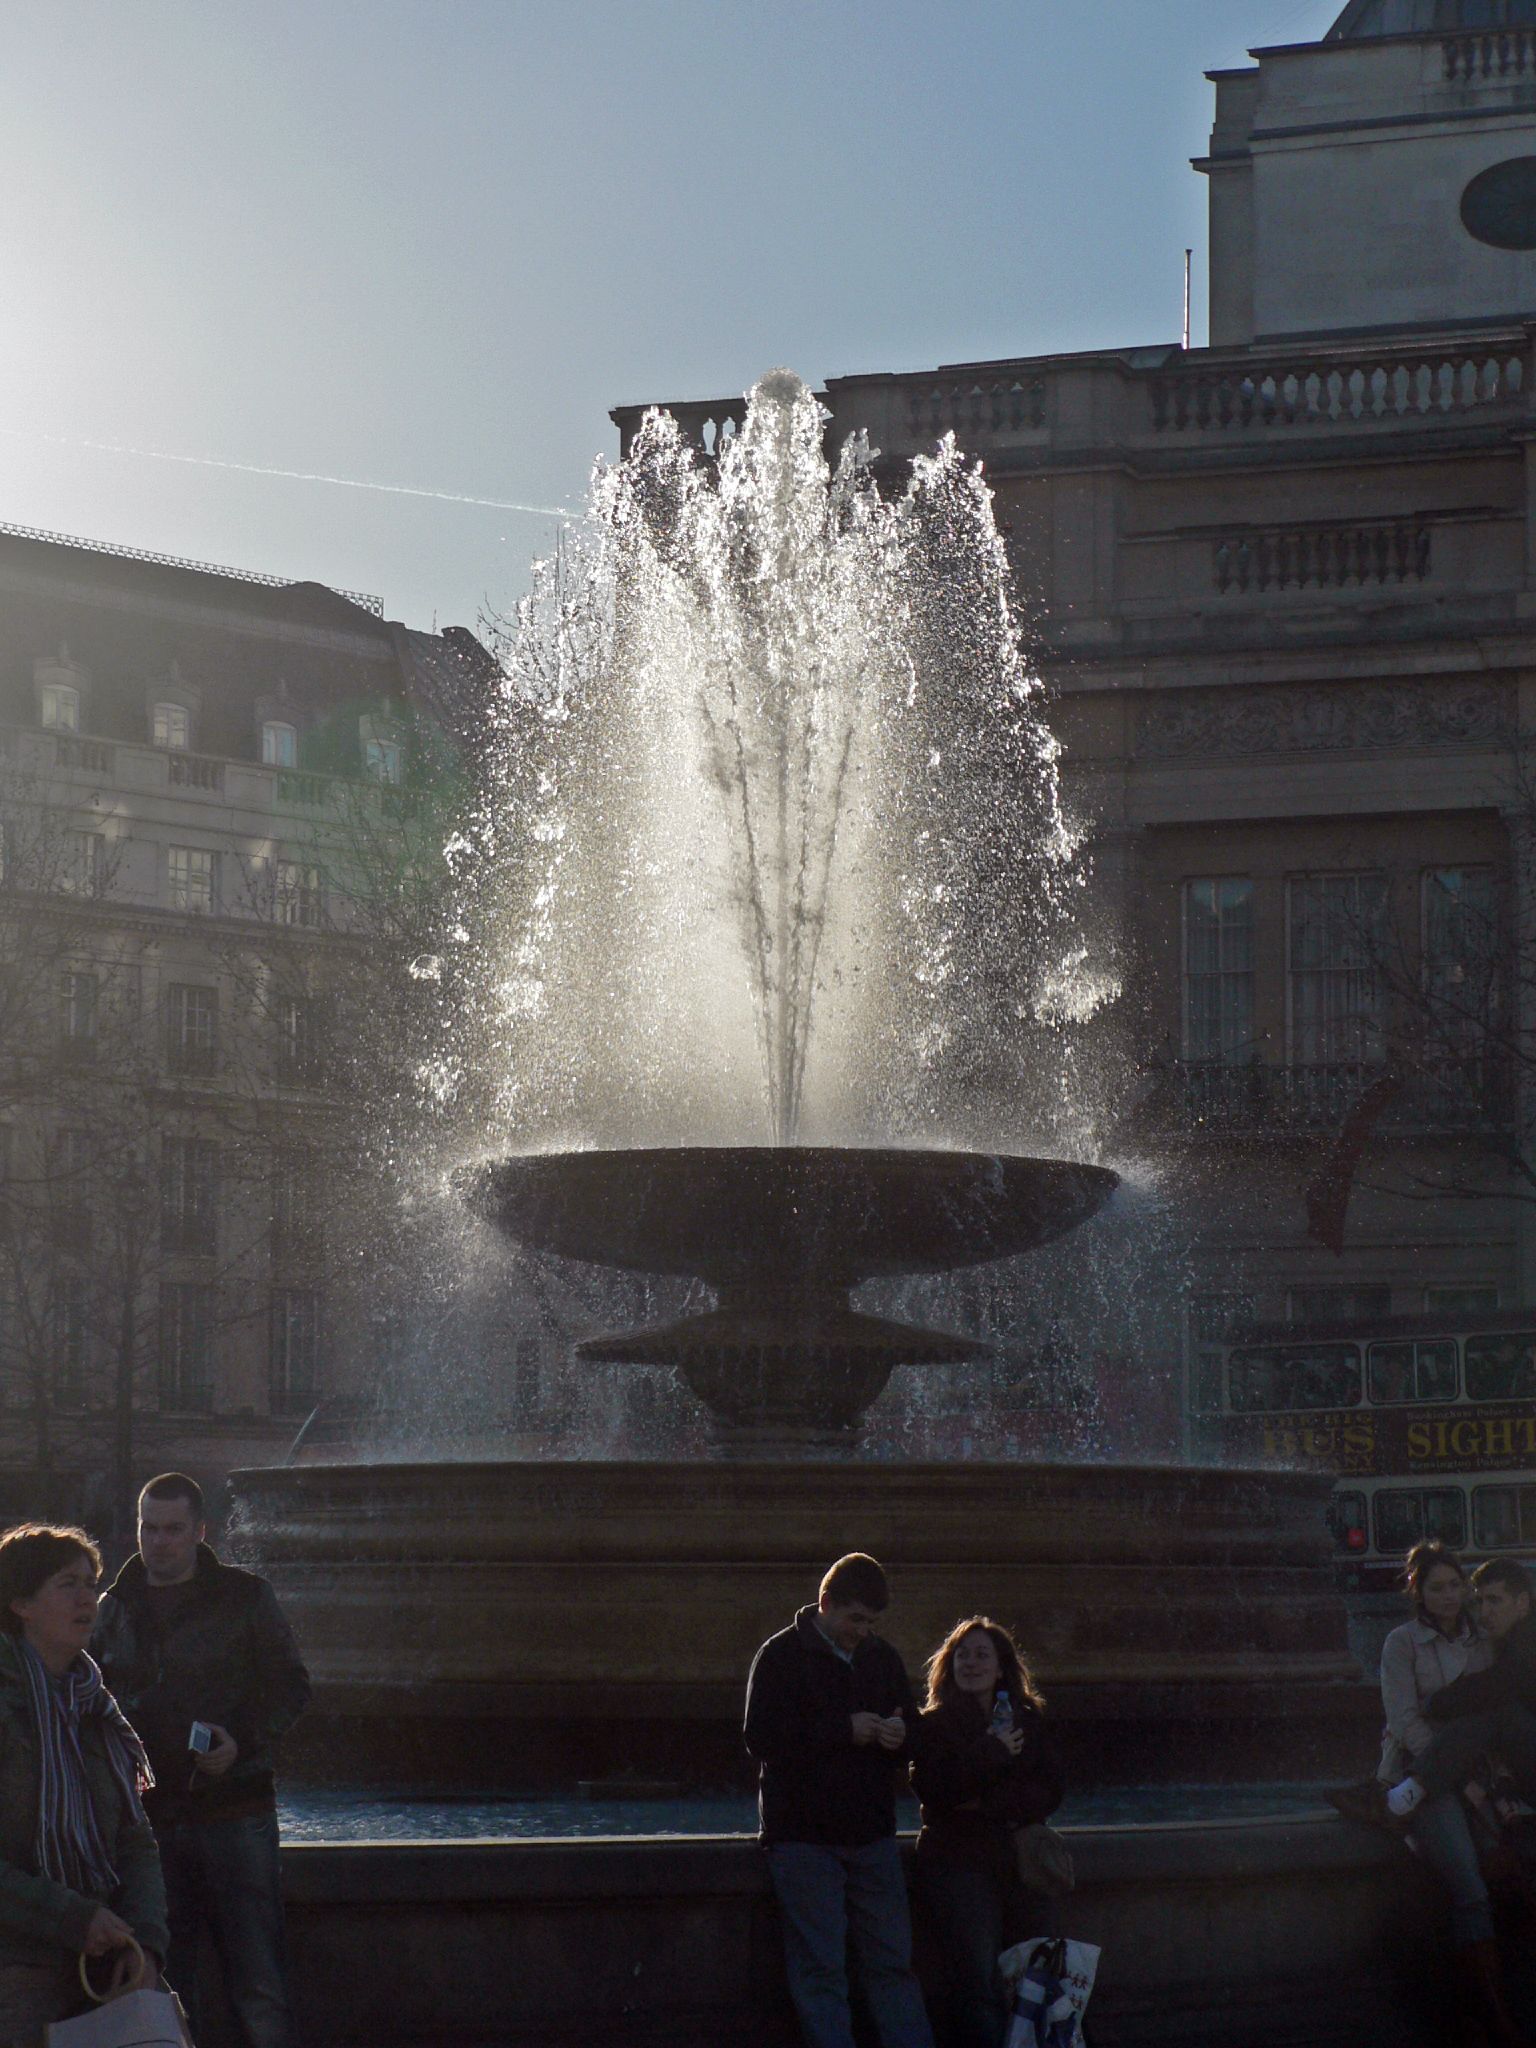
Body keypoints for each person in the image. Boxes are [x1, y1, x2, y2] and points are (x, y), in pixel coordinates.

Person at [92, 1472, 310, 2048]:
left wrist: (240, 1740)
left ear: (199, 1532)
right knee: (164, 1978)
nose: (158, 1541)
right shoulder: (112, 1608)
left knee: (258, 1980)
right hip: (148, 1821)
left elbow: (291, 1685)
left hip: (234, 1809)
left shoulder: (244, 1597)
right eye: (148, 1527)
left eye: (172, 1529)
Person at [744, 1552, 934, 2048]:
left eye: (871, 1622)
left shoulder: (881, 1656)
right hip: (803, 1839)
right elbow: (760, 1737)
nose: (862, 1632)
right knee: (821, 1969)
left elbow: (912, 1726)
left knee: (892, 1964)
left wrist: (901, 1735)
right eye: (855, 1619)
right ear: (825, 1603)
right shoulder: (780, 1655)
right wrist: (842, 1730)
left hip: (871, 1834)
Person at [0, 1522, 168, 2047]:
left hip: (108, 1966)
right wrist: (73, 1917)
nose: (87, 1598)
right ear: (20, 1603)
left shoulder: (95, 1705)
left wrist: (148, 1946)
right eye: (66, 1584)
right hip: (18, 1972)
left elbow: (135, 1838)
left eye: (90, 1583)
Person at [1380, 1552, 1534, 2048]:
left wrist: (1484, 1781)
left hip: (1478, 1776)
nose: (1450, 1596)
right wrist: (1456, 1776)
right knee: (1467, 1884)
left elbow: (1489, 1714)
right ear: (1418, 1593)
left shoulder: (1485, 1642)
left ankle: (1491, 2008)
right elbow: (1404, 1721)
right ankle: (1492, 2016)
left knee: (1507, 1873)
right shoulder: (1400, 1643)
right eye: (1438, 1587)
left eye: (1455, 1586)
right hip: (1432, 1772)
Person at [912, 1616, 1064, 2048]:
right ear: (949, 1664)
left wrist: (986, 1804)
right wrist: (993, 1753)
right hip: (959, 1865)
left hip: (1022, 1865)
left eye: (982, 1655)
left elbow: (1051, 1788)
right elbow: (936, 1791)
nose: (971, 1663)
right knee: (977, 1983)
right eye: (962, 1654)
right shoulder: (935, 1724)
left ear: (1001, 1667)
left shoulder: (1028, 1717)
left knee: (1039, 1976)